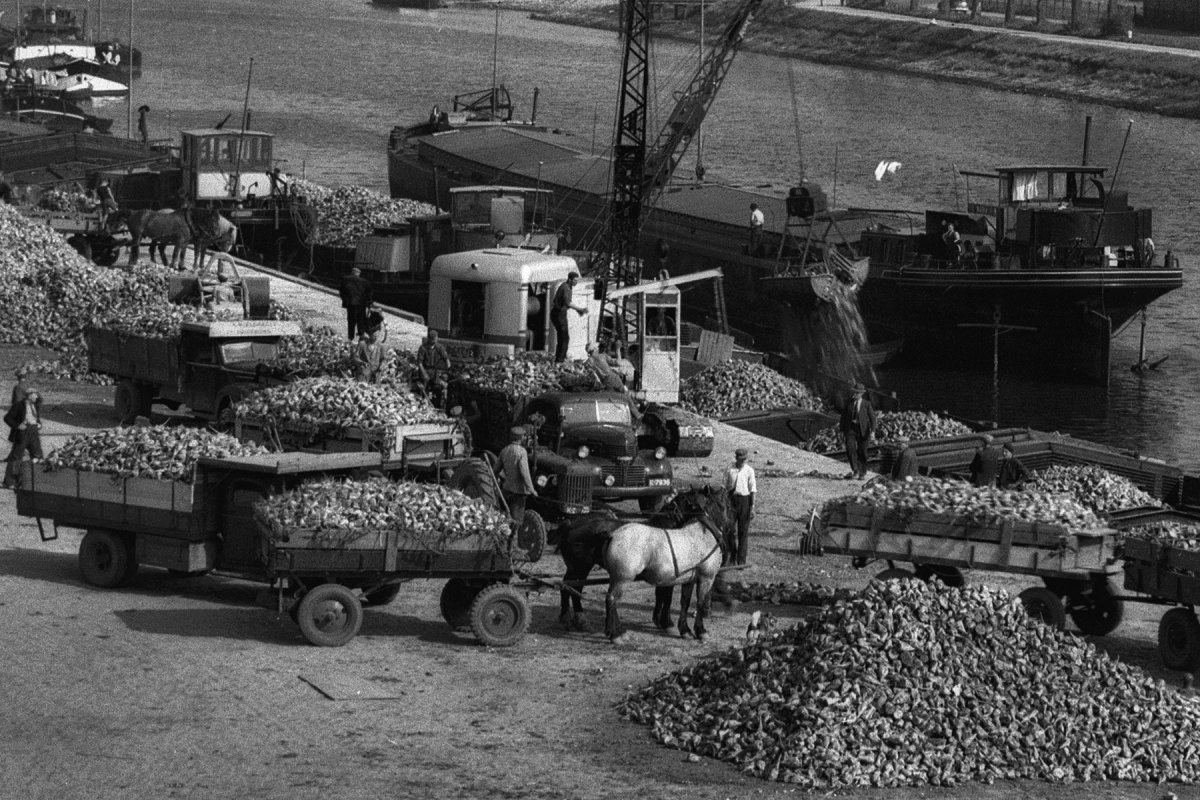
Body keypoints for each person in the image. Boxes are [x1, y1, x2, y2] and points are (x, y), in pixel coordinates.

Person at [3, 388, 42, 489]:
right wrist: (17, 425)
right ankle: (9, 482)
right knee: (16, 457)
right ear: (29, 395)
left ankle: (36, 481)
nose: (37, 396)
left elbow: (37, 418)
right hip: (23, 433)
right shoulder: (19, 406)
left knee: (38, 455)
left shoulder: (35, 405)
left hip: (33, 432)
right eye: (35, 395)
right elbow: (7, 418)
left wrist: (39, 424)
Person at [725, 447, 756, 566]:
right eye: (741, 459)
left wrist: (752, 507)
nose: (743, 462)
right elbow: (724, 486)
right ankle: (731, 559)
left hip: (745, 501)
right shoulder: (729, 469)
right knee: (730, 530)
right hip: (731, 501)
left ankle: (741, 561)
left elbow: (753, 490)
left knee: (743, 532)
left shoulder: (749, 471)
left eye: (745, 459)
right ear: (736, 458)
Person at [839, 384, 877, 480]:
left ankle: (862, 473)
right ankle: (855, 470)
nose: (854, 394)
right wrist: (841, 431)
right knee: (850, 448)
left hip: (863, 430)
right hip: (851, 428)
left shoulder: (866, 404)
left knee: (862, 451)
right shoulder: (849, 403)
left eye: (857, 393)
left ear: (861, 394)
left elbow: (873, 418)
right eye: (854, 392)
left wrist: (872, 432)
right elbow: (843, 418)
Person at [498, 426, 535, 523]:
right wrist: (531, 489)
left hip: (506, 489)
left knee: (505, 516)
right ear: (521, 438)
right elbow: (524, 473)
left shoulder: (504, 450)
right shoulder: (522, 452)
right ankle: (514, 537)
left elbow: (495, 470)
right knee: (517, 521)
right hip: (519, 492)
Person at [551, 271, 587, 363]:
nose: (576, 282)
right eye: (574, 280)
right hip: (558, 314)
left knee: (563, 337)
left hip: (561, 314)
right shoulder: (565, 288)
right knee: (564, 338)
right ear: (569, 279)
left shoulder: (568, 287)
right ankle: (559, 360)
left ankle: (559, 358)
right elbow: (568, 303)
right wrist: (580, 309)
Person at [416, 330, 451, 408]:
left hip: (434, 371)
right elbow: (419, 363)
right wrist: (424, 373)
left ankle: (436, 405)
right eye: (434, 339)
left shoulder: (439, 347)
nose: (435, 340)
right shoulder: (423, 348)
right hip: (425, 369)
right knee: (424, 389)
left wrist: (448, 365)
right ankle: (423, 405)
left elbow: (446, 357)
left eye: (436, 338)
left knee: (437, 387)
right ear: (430, 339)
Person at [338, 267, 373, 341]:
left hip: (350, 303)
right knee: (361, 320)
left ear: (352, 272)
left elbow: (342, 291)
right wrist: (369, 303)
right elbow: (369, 293)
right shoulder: (365, 281)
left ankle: (351, 337)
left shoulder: (345, 279)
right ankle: (361, 336)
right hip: (361, 304)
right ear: (359, 274)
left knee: (351, 321)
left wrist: (345, 301)